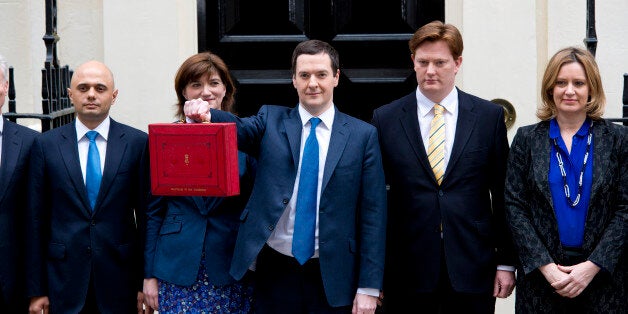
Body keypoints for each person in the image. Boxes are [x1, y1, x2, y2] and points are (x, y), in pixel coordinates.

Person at [184, 39, 387, 314]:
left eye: (321, 75)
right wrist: (206, 114)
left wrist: (369, 287)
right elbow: (237, 129)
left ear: (336, 77)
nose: (312, 83)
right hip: (275, 267)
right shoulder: (270, 120)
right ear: (294, 80)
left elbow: (373, 215)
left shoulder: (362, 136)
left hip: (334, 273)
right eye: (304, 75)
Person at [371, 20, 516, 313]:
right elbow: (374, 201)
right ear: (413, 62)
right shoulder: (385, 119)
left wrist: (506, 261)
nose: (430, 71)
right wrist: (373, 273)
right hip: (406, 269)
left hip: (473, 266)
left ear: (457, 63)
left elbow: (503, 194)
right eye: (423, 62)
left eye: (440, 62)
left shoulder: (487, 118)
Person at [504, 46, 627, 313]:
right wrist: (547, 268)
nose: (569, 90)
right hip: (542, 280)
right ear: (550, 89)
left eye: (578, 83)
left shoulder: (618, 140)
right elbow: (515, 207)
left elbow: (625, 208)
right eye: (561, 83)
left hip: (603, 279)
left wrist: (592, 266)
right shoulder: (526, 140)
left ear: (591, 89)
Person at [26, 60, 151, 313]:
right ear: (71, 95)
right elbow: (34, 220)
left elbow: (148, 218)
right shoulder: (45, 145)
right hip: (63, 280)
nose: (91, 94)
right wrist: (36, 290)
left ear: (114, 96)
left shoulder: (138, 143)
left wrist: (145, 281)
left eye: (100, 88)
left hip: (122, 281)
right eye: (83, 88)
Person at [143, 51, 256, 313]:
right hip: (177, 266)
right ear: (184, 91)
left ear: (225, 89)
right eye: (196, 84)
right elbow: (153, 210)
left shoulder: (247, 139)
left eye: (214, 83)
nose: (206, 92)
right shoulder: (163, 139)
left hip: (230, 265)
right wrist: (149, 275)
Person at [0, 54, 38, 312]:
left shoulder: (29, 142)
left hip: (12, 282)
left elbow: (38, 217)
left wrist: (36, 289)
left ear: (5, 86)